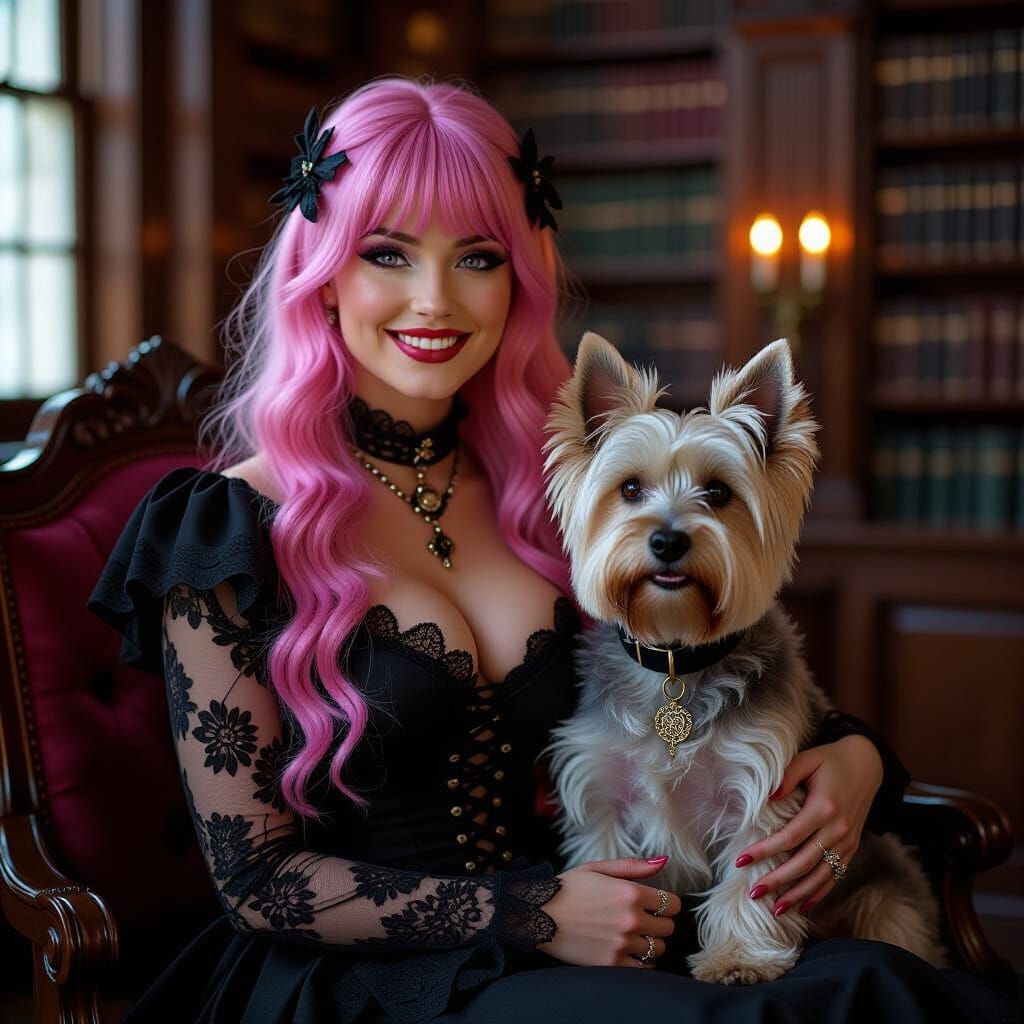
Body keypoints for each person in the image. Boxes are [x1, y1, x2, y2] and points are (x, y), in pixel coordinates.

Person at [88, 78, 1018, 1024]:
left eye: (477, 257)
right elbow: (256, 881)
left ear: (518, 282)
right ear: (323, 273)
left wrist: (858, 758)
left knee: (874, 983)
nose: (434, 299)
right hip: (375, 980)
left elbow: (703, 676)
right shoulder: (224, 526)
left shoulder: (556, 494)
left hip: (603, 937)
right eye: (387, 253)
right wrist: (530, 911)